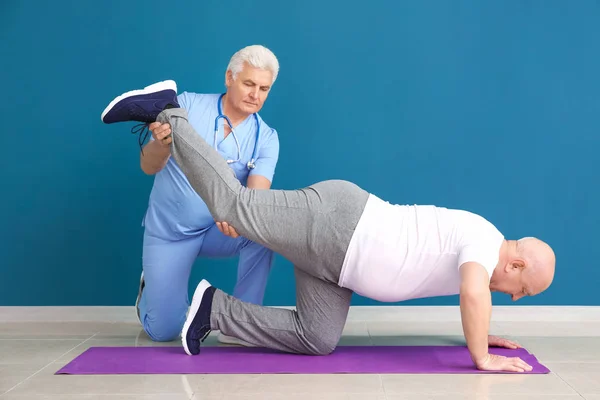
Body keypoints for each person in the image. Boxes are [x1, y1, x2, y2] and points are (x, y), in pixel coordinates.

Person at [101, 80, 556, 373]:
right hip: (338, 225)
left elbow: (473, 294)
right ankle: (169, 110)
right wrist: (481, 357)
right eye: (523, 289)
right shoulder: (485, 240)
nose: (515, 296)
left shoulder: (481, 248)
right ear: (515, 263)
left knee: (317, 338)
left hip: (338, 267)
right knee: (237, 205)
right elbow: (473, 292)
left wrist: (481, 330)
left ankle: (211, 310)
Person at [101, 45, 281, 345]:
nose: (255, 95)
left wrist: (239, 219)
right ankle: (152, 289)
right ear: (229, 77)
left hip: (217, 230)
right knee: (164, 331)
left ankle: (243, 323)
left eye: (264, 89)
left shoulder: (267, 138)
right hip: (171, 232)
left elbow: (256, 198)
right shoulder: (187, 106)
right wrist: (161, 144)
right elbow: (148, 167)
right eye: (249, 84)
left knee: (264, 230)